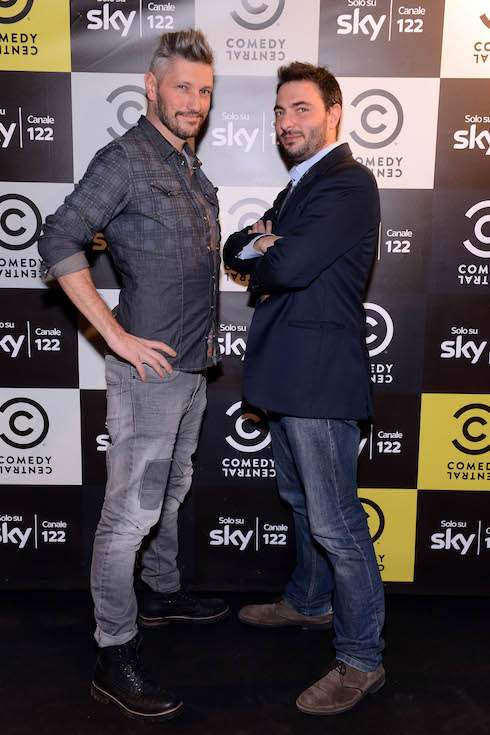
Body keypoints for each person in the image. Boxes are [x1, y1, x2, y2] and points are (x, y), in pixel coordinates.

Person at [38, 29, 228, 723]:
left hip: (193, 366)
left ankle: (162, 592)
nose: (195, 102)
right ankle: (112, 652)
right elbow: (57, 237)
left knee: (169, 491)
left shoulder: (186, 164)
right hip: (149, 376)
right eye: (183, 87)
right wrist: (113, 335)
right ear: (151, 87)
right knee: (129, 516)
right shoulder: (125, 160)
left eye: (204, 91)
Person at [223, 62, 385, 716]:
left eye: (301, 109)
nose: (286, 122)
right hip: (289, 376)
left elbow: (285, 264)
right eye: (279, 111)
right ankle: (310, 602)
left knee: (337, 524)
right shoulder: (301, 187)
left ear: (333, 113)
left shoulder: (347, 182)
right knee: (299, 501)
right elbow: (236, 250)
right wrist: (264, 240)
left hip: (319, 381)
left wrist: (270, 244)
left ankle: (362, 659)